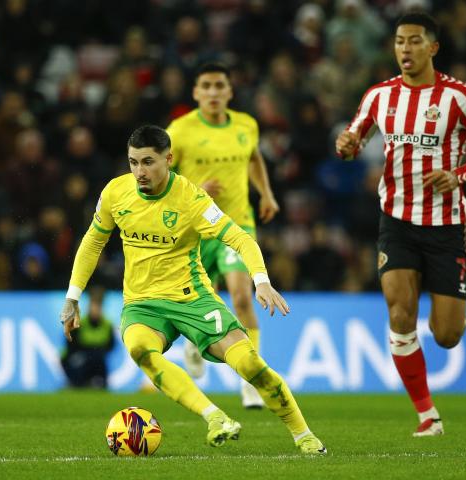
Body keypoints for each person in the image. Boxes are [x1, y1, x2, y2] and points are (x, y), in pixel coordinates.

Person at [59, 125, 325, 454]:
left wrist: (261, 280)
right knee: (140, 349)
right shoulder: (116, 192)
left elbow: (240, 238)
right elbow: (92, 242)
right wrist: (73, 297)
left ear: (168, 159)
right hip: (142, 303)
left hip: (192, 299)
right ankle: (215, 417)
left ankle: (304, 435)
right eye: (133, 162)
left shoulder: (192, 199)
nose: (139, 172)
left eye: (148, 162)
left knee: (250, 365)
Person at [335, 12, 466, 436]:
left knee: (447, 334)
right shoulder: (379, 96)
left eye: (414, 41)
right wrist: (347, 145)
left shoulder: (459, 96)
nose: (405, 49)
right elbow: (354, 140)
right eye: (399, 41)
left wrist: (458, 175)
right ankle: (427, 415)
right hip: (396, 221)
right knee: (399, 313)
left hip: (445, 224)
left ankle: (450, 319)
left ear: (433, 47)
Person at [165, 63, 279, 409]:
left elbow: (254, 159)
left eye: (219, 86)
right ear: (196, 92)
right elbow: (159, 178)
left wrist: (266, 193)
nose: (213, 92)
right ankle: (192, 342)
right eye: (206, 86)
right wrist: (195, 189)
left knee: (242, 298)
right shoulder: (179, 131)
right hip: (195, 229)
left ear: (230, 91)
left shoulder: (246, 125)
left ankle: (252, 380)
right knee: (202, 301)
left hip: (236, 225)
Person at [61, 285, 115, 388]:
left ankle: (100, 383)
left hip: (97, 357)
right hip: (81, 355)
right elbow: (71, 345)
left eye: (98, 306)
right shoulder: (79, 323)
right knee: (75, 360)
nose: (95, 309)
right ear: (89, 305)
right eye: (94, 305)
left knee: (98, 358)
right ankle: (75, 383)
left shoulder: (107, 325)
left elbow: (111, 345)